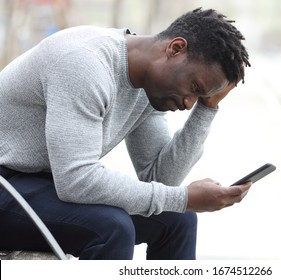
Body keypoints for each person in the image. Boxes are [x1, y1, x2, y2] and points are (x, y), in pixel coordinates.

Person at [0, 8, 251, 260]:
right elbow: (77, 180)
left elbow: (160, 178)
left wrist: (206, 109)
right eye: (194, 88)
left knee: (178, 220)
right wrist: (183, 197)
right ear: (175, 49)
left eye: (200, 97)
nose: (188, 104)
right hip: (6, 182)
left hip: (40, 183)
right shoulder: (84, 63)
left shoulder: (148, 85)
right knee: (112, 227)